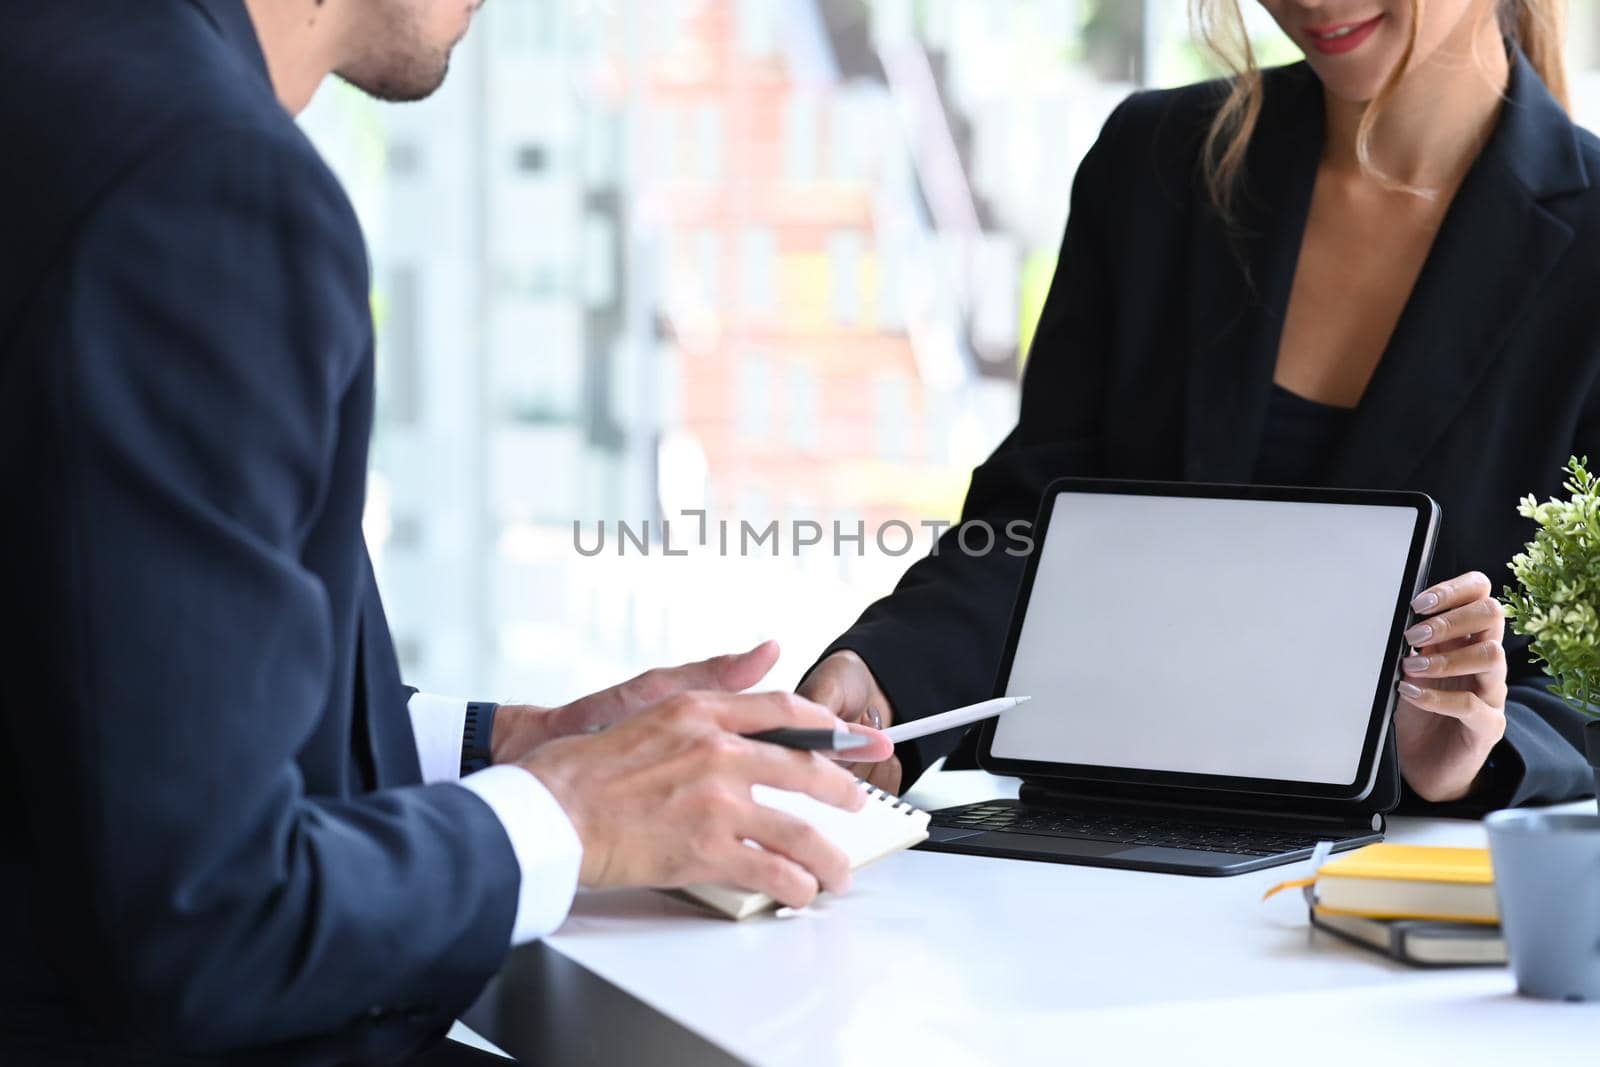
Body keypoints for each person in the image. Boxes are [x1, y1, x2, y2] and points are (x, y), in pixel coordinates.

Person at [0, 1, 893, 1063]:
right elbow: (207, 918)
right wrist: (568, 816)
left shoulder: (54, 71)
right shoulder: (206, 180)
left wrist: (510, 744)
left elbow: (88, 684)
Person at [802, 0, 1598, 811]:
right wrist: (886, 683)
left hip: (1389, 886)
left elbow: (1587, 679)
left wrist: (1481, 749)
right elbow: (1035, 530)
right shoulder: (1155, 164)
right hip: (1091, 860)